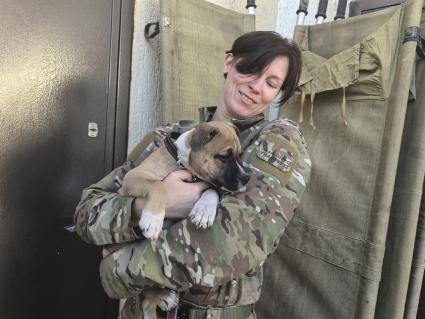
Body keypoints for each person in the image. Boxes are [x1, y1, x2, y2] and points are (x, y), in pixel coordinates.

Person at [74, 31, 311, 319]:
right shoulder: (167, 139)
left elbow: (230, 245)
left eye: (271, 83)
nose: (256, 87)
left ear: (276, 95)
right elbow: (87, 211)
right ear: (228, 62)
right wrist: (143, 207)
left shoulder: (274, 143)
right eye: (250, 70)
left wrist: (119, 268)